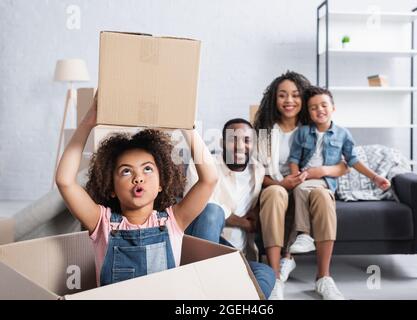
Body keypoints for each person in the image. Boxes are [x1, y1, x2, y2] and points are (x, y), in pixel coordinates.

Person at [55, 93, 218, 286]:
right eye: (126, 171)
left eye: (147, 169)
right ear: (111, 188)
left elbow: (210, 179)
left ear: (160, 184)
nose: (138, 177)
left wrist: (187, 127)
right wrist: (88, 122)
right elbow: (65, 181)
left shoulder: (173, 221)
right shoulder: (102, 223)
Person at [253, 71, 348, 300]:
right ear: (274, 99)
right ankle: (275, 278)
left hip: (309, 185)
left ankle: (324, 278)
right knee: (275, 193)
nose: (289, 101)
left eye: (295, 95)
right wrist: (280, 183)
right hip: (277, 185)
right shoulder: (264, 132)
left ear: (304, 99)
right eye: (282, 95)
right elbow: (256, 172)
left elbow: (343, 166)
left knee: (323, 196)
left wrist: (321, 171)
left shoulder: (316, 127)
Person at [288, 86, 391, 256]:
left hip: (325, 180)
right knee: (300, 188)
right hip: (303, 177)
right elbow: (294, 159)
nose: (319, 110)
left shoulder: (342, 134)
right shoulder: (303, 132)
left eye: (323, 105)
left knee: (302, 190)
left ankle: (304, 235)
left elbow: (353, 160)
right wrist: (295, 177)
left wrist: (375, 177)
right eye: (313, 108)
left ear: (333, 108)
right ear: (309, 112)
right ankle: (298, 243)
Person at [184, 118, 276, 299]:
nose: (240, 146)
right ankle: (202, 289)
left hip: (236, 253)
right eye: (233, 139)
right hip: (203, 245)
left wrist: (256, 213)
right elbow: (197, 206)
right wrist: (242, 222)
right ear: (222, 142)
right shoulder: (203, 165)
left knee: (267, 273)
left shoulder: (257, 170)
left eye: (247, 140)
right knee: (212, 211)